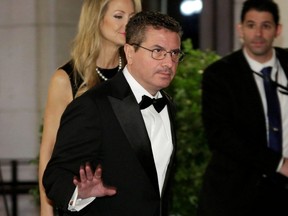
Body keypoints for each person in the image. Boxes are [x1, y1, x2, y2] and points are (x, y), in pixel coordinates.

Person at [42, 11, 183, 216]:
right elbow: (55, 176)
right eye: (157, 51)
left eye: (174, 53)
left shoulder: (167, 105)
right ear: (130, 52)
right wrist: (80, 193)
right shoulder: (92, 106)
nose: (169, 63)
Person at [38, 0, 142, 215]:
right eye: (118, 16)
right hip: (84, 202)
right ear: (96, 18)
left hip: (128, 200)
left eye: (132, 18)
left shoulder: (136, 74)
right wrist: (46, 212)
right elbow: (48, 151)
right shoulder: (66, 79)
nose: (127, 24)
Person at [198, 0, 288, 215]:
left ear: (278, 30)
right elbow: (220, 136)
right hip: (237, 194)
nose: (258, 33)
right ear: (240, 29)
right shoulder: (219, 75)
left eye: (265, 25)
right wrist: (280, 164)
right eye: (251, 25)